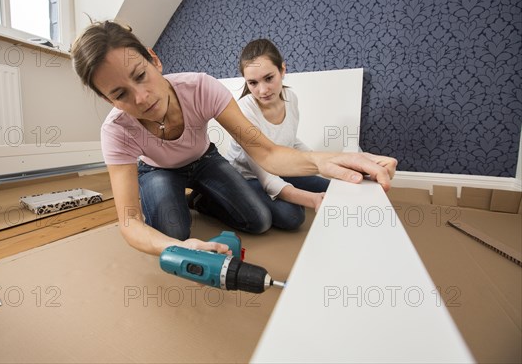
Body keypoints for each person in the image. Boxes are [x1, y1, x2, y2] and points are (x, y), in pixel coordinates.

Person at [71, 20, 397, 256]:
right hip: (157, 170)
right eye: (120, 94)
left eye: (141, 75)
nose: (140, 98)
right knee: (174, 233)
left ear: (154, 60)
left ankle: (199, 198)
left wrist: (330, 160)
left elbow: (267, 153)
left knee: (259, 220)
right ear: (108, 100)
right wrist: (177, 247)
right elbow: (129, 223)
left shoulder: (200, 87)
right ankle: (181, 206)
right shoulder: (116, 131)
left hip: (204, 160)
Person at [227, 39, 329, 230]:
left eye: (269, 78)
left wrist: (323, 163)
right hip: (248, 177)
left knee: (331, 188)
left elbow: (290, 141)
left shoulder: (291, 98)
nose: (263, 90)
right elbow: (266, 178)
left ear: (282, 70)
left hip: (279, 167)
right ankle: (207, 200)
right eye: (253, 83)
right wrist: (313, 199)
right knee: (292, 216)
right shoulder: (244, 112)